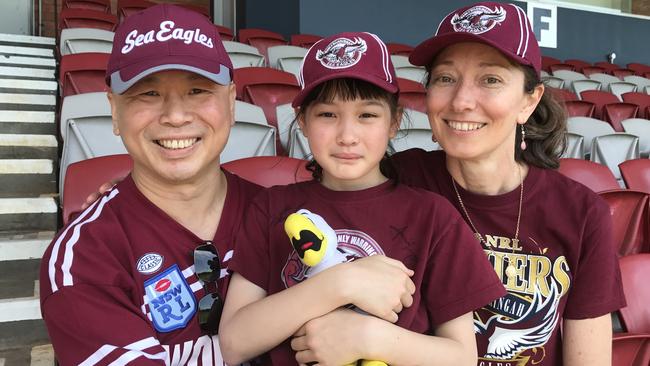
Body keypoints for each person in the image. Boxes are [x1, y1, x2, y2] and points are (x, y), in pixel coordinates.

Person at [292, 3, 626, 366]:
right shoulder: (394, 179)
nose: (462, 101)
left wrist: (375, 338)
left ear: (529, 102)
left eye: (491, 79)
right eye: (446, 78)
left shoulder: (581, 213)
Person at [218, 31, 507, 366]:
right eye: (327, 115)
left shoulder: (433, 216)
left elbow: (461, 358)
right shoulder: (272, 207)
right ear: (302, 122)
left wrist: (372, 338)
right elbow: (233, 343)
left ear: (394, 122)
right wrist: (340, 283)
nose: (347, 136)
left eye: (367, 115)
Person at [39, 5, 261, 365]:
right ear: (114, 111)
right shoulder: (83, 259)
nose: (175, 116)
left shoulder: (285, 214)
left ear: (232, 103)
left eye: (198, 90)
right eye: (148, 94)